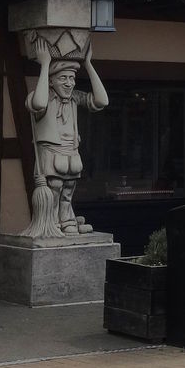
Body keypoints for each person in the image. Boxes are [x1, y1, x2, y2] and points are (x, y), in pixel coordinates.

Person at [21, 40, 109, 238]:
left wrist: (88, 64)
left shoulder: (74, 98)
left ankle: (67, 220)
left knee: (68, 189)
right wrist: (45, 64)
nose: (69, 83)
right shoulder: (42, 97)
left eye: (72, 78)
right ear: (51, 81)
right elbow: (38, 103)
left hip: (71, 150)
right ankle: (51, 223)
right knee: (54, 186)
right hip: (51, 150)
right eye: (63, 78)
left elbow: (102, 101)